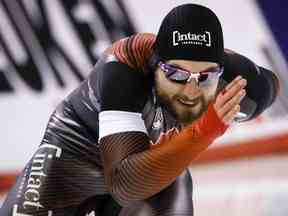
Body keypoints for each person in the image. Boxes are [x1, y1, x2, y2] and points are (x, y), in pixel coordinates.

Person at [0, 4, 279, 216]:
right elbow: (123, 182)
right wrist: (204, 131)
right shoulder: (123, 67)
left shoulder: (241, 84)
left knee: (167, 177)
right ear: (155, 64)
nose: (191, 91)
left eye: (205, 77)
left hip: (149, 165)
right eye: (176, 75)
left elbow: (271, 86)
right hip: (72, 160)